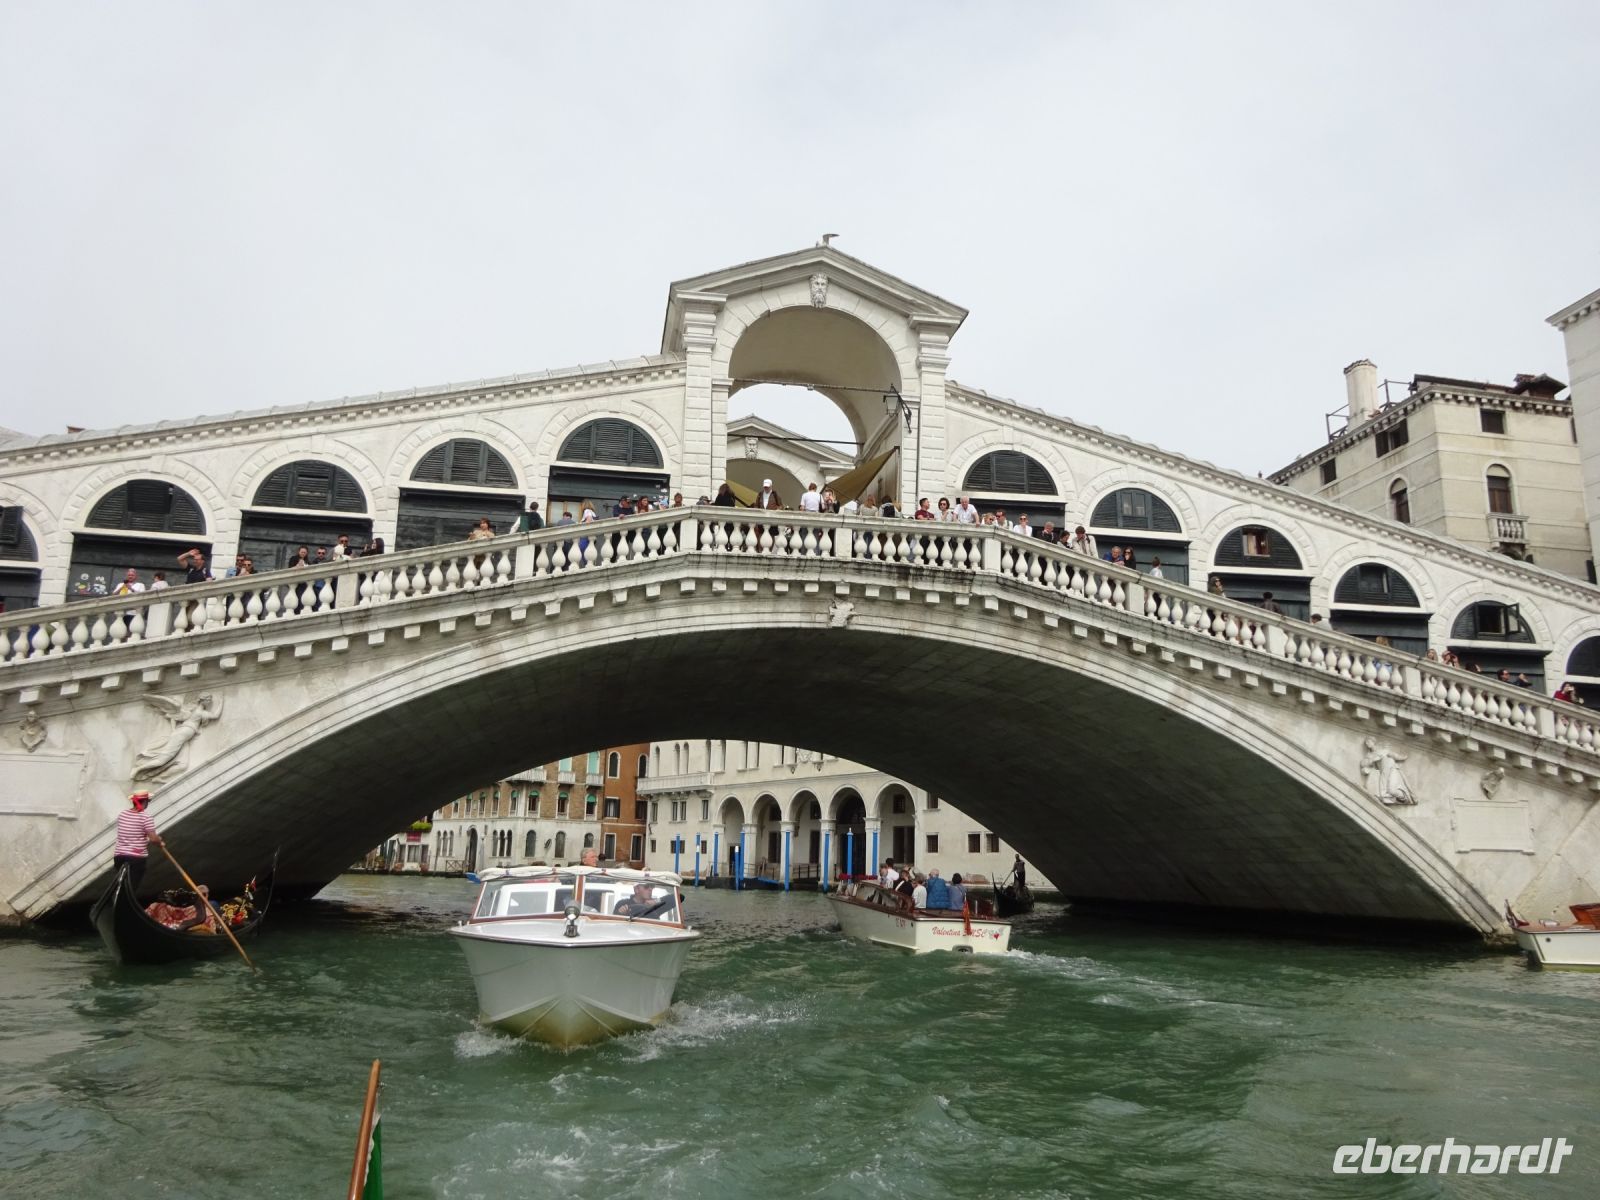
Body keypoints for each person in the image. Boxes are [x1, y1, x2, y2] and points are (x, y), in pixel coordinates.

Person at [113, 791, 162, 892]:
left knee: (123, 886)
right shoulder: (146, 817)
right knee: (131, 888)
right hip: (136, 858)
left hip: (119, 857)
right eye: (148, 801)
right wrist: (160, 841)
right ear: (145, 802)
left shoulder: (122, 814)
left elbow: (131, 831)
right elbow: (153, 839)